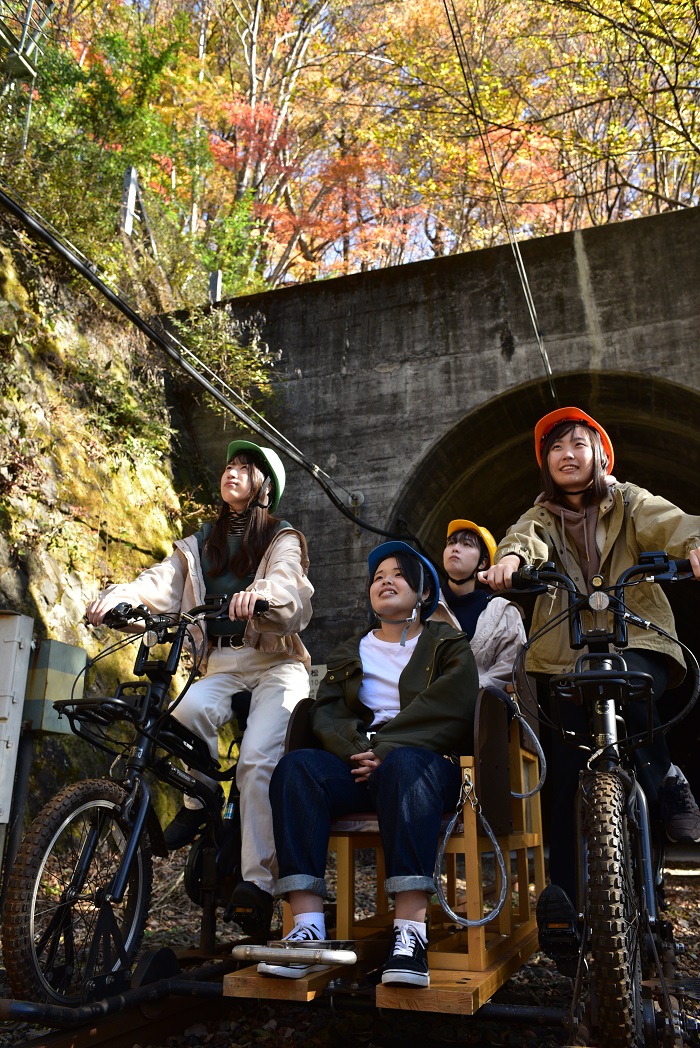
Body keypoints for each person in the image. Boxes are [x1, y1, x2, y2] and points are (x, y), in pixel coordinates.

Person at [478, 406, 700, 966]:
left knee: (638, 698)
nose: (568, 455)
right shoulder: (541, 517)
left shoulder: (628, 501)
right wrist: (510, 560)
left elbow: (670, 522)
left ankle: (663, 790)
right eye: (556, 449)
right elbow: (521, 540)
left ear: (601, 454)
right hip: (564, 651)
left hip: (636, 637)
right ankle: (564, 902)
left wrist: (695, 543)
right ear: (546, 466)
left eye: (580, 443)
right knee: (563, 769)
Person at [86, 439, 314, 940]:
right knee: (183, 714)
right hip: (222, 662)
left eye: (245, 468)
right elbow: (159, 582)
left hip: (277, 661)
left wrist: (262, 596)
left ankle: (256, 882)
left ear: (264, 489)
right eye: (229, 464)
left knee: (257, 760)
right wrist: (119, 596)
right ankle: (201, 797)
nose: (232, 471)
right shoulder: (201, 542)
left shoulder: (281, 537)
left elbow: (290, 588)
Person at [257, 540, 478, 988]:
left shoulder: (448, 644)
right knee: (296, 769)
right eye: (377, 577)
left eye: (398, 575)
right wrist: (357, 750)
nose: (385, 581)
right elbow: (327, 711)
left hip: (426, 764)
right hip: (360, 762)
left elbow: (451, 707)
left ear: (422, 593)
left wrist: (388, 749)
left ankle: (410, 935)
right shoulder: (349, 651)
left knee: (403, 766)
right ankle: (308, 932)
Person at [441, 519, 526, 690]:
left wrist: (467, 691)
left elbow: (512, 666)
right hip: (427, 709)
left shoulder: (504, 612)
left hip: (483, 710)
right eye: (451, 543)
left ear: (483, 562)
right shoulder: (425, 607)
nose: (455, 548)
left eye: (467, 544)